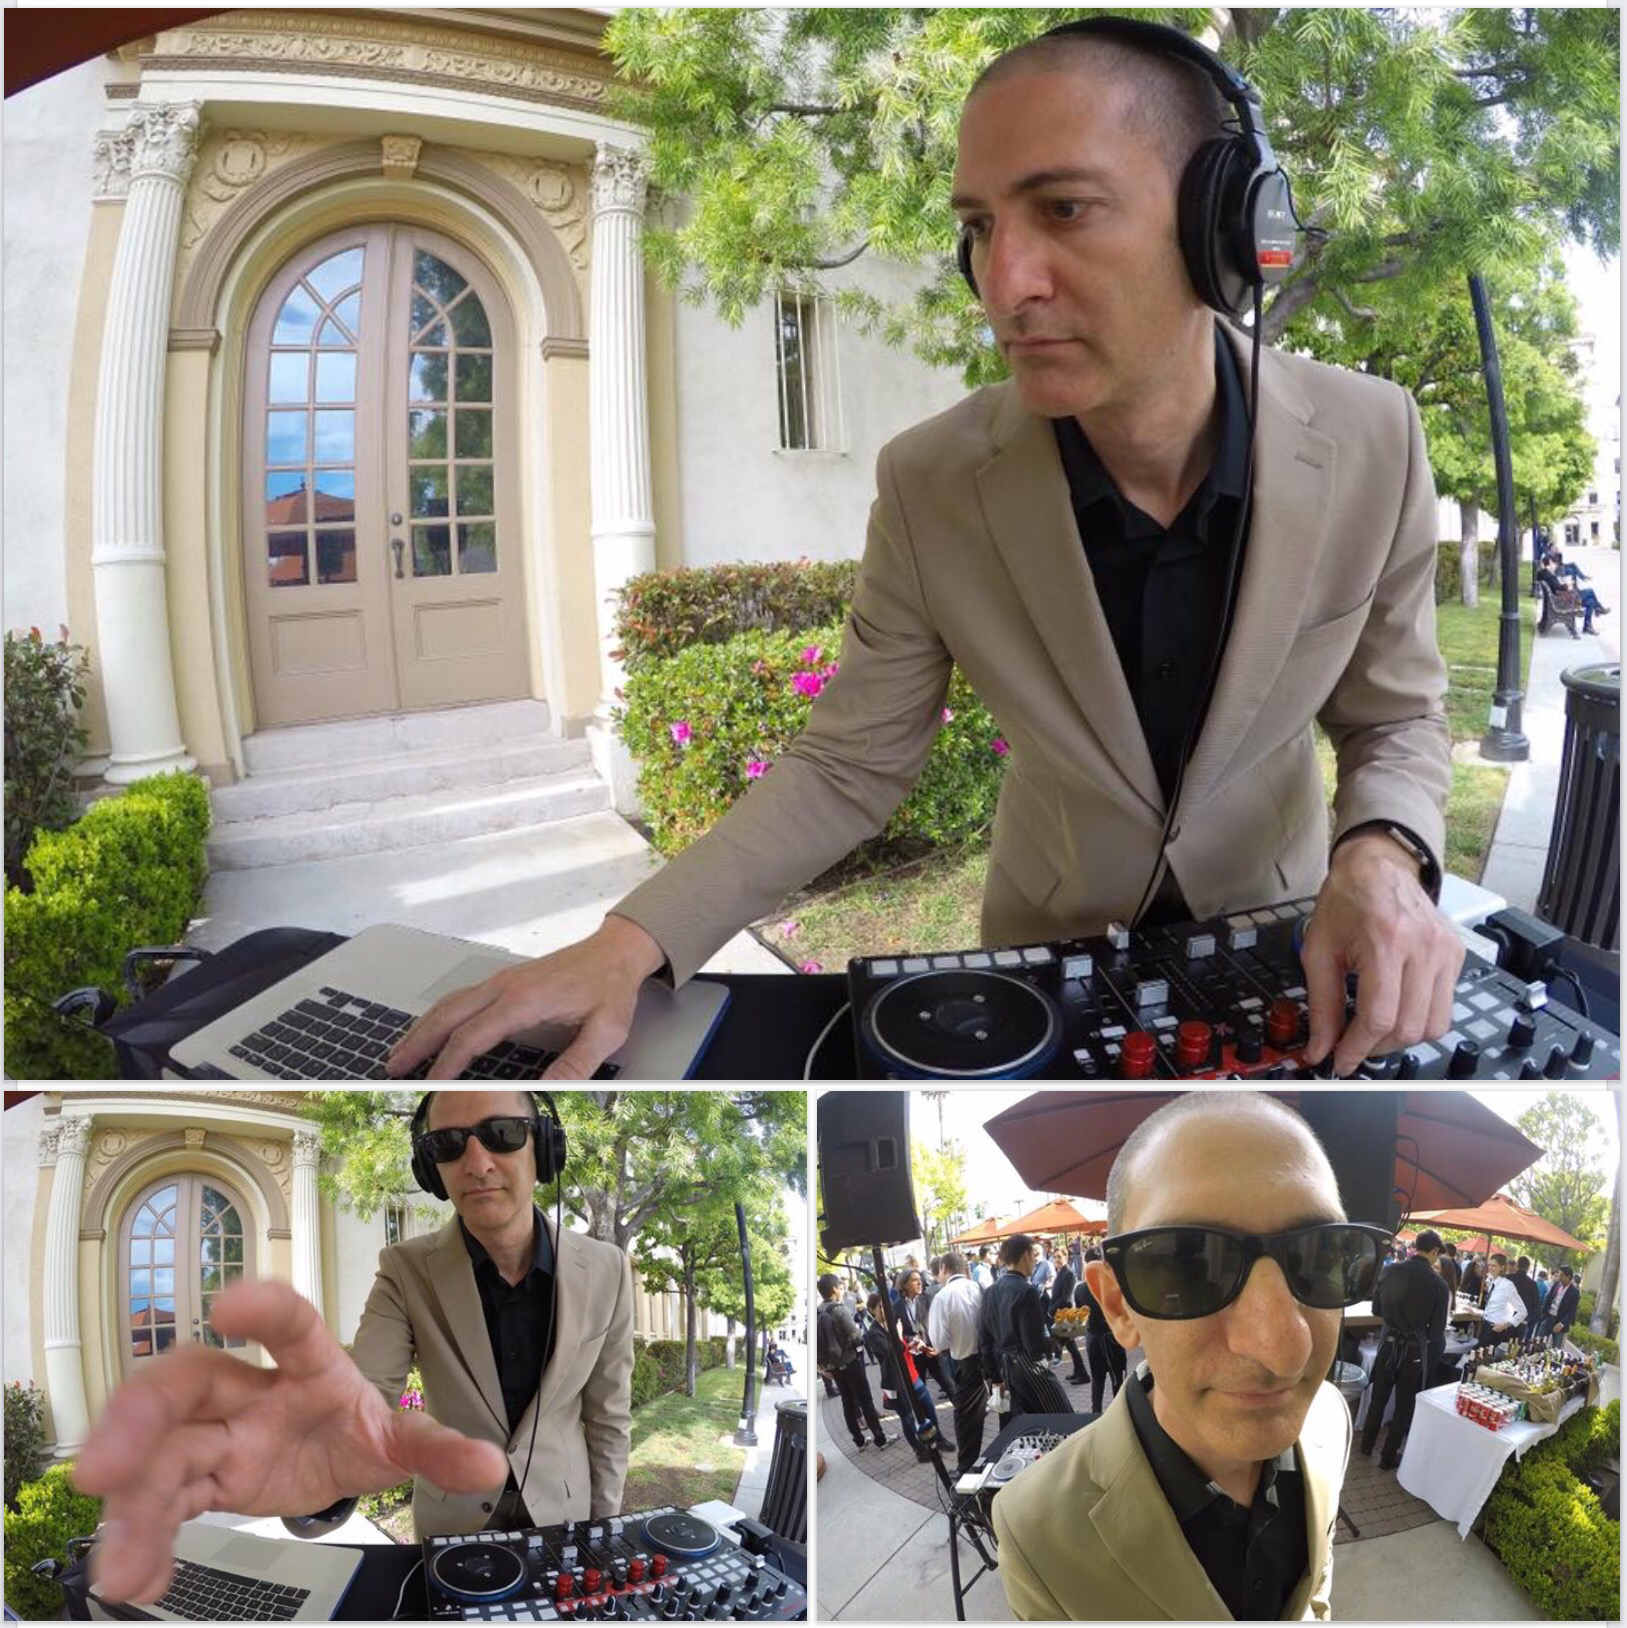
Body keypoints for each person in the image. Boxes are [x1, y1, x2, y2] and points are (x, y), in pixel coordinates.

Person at [387, 15, 1464, 1088]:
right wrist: (629, 943)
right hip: (1036, 974)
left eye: (1064, 209)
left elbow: (1395, 715)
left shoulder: (1374, 438)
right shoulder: (930, 481)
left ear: (1221, 227)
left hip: (1286, 953)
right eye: (979, 227)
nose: (1005, 282)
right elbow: (849, 763)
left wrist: (1380, 850)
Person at [76, 1090, 634, 1606]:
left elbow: (608, 1418)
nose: (477, 1162)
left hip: (569, 1520)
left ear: (544, 1146)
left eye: (502, 1134)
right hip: (453, 1528)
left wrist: (605, 1533)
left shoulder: (607, 1270)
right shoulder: (404, 1270)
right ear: (431, 1170)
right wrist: (320, 1452)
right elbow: (364, 1391)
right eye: (447, 1144)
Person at [992, 1093, 1363, 1621]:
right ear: (1118, 1306)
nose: (1283, 1349)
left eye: (1323, 1256)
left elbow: (1315, 1595)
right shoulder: (1036, 1528)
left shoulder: (1328, 1419)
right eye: (1190, 1267)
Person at [1360, 1231, 1449, 1471]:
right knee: (1404, 1405)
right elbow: (1436, 1332)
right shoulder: (1438, 1284)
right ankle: (1387, 1457)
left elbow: (1376, 1310)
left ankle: (1366, 1446)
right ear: (1434, 1251)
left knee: (1378, 1398)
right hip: (1414, 1352)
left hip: (1388, 1345)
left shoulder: (1390, 1271)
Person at [978, 1234, 1074, 1430]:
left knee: (1024, 1429)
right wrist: (1061, 1336)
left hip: (1005, 1370)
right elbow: (1034, 1345)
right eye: (1033, 1256)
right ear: (1025, 1256)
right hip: (1029, 1369)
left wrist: (995, 1377)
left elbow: (984, 1341)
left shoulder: (990, 1292)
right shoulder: (1026, 1290)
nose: (1035, 1261)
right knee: (1064, 1420)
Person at [928, 1250, 991, 1478]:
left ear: (944, 1268)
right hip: (990, 1359)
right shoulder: (979, 1288)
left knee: (966, 1419)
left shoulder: (943, 1296)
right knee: (996, 1409)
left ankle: (966, 1468)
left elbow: (939, 1342)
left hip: (967, 1363)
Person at [863, 1292, 945, 1463]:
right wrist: (899, 1335)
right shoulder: (872, 1334)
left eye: (887, 1305)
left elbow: (906, 1342)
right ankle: (919, 1449)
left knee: (929, 1409)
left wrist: (916, 1344)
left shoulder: (894, 1323)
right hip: (897, 1383)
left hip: (913, 1376)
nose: (885, 1310)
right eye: (880, 1307)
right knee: (907, 1418)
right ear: (871, 1310)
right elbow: (891, 1352)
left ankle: (938, 1439)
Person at [816, 1273, 891, 1451]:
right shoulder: (839, 1310)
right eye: (840, 1287)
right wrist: (858, 1334)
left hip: (834, 1366)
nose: (842, 1290)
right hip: (850, 1362)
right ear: (834, 1289)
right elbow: (856, 1336)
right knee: (865, 1400)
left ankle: (859, 1441)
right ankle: (880, 1438)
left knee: (847, 1403)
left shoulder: (818, 1312)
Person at [1076, 1246, 1128, 1416]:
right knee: (1117, 1378)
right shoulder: (1113, 1286)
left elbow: (1081, 1314)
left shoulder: (1080, 1289)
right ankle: (1120, 1413)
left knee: (1097, 1380)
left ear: (1086, 1263)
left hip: (1093, 1338)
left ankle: (1095, 1413)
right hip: (1112, 1336)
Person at [896, 1268, 955, 1404]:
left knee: (950, 1387)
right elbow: (897, 1332)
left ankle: (963, 1414)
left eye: (920, 1279)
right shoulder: (897, 1307)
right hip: (914, 1356)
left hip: (932, 1351)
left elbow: (940, 1324)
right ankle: (927, 1417)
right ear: (904, 1285)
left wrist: (938, 1348)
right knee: (919, 1394)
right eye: (914, 1280)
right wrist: (912, 1341)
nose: (920, 1283)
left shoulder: (929, 1299)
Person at [1046, 1247, 1089, 1385]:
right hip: (1059, 1314)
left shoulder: (1069, 1274)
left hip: (1066, 1315)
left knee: (1071, 1346)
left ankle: (1083, 1374)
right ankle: (1079, 1371)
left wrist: (1051, 1310)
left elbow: (1065, 1298)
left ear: (1066, 1257)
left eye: (1059, 1257)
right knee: (1071, 1346)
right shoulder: (1060, 1273)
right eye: (1055, 1257)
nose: (1056, 1260)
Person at [1536, 557, 1610, 632]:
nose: (1555, 566)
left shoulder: (1545, 574)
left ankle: (1588, 625)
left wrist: (1565, 584)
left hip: (1561, 599)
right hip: (1565, 601)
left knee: (1591, 602)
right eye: (1554, 564)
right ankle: (1599, 608)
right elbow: (1558, 588)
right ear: (1550, 563)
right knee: (1590, 591)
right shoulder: (1549, 575)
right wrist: (1569, 585)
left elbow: (1556, 587)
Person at [1482, 1257, 1529, 1351]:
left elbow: (1523, 1311)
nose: (1490, 1268)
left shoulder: (1508, 1285)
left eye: (1494, 1266)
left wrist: (1504, 1325)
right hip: (1485, 1325)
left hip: (1496, 1329)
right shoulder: (1492, 1283)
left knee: (1475, 1353)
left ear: (1502, 1267)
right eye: (1489, 1265)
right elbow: (1493, 1308)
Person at [1532, 1265, 1581, 1349]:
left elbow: (1572, 1311)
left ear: (1568, 1277)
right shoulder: (1557, 1285)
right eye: (1559, 1275)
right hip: (1548, 1318)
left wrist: (1562, 1324)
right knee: (1538, 1342)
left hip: (1560, 1322)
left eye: (1562, 1275)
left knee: (1556, 1348)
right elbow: (1548, 1299)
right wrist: (1543, 1314)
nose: (1559, 1277)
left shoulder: (1574, 1292)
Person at [1507, 1255, 1542, 1326]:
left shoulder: (1508, 1278)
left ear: (1517, 1265)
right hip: (1522, 1320)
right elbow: (1536, 1305)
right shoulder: (1532, 1284)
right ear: (1528, 1268)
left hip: (1506, 1315)